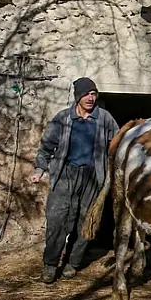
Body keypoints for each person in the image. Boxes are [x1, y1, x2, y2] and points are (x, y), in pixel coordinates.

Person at [30, 77, 119, 283]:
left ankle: (73, 262)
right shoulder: (63, 118)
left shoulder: (104, 119)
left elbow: (116, 144)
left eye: (94, 94)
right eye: (87, 94)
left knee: (86, 222)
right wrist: (40, 168)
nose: (90, 98)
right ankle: (51, 265)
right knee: (57, 220)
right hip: (66, 174)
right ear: (78, 96)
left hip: (92, 177)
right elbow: (46, 147)